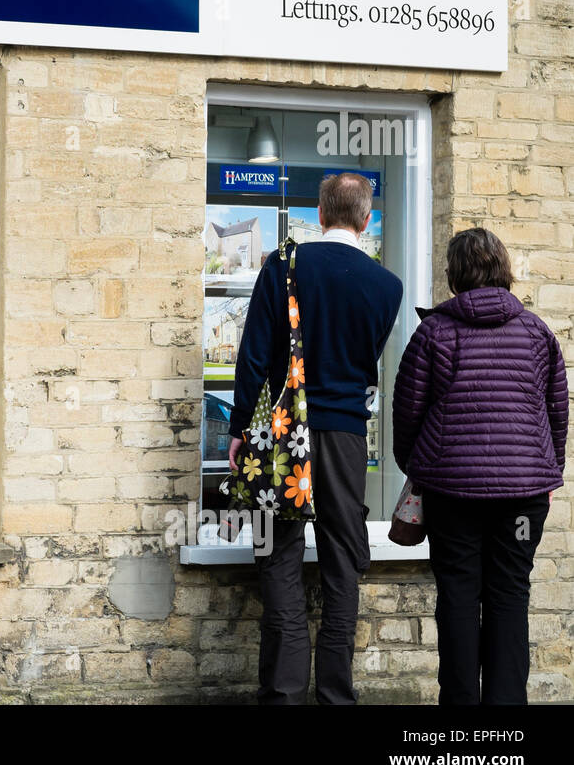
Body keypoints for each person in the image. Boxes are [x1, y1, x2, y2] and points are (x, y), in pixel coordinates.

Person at [229, 172, 403, 704]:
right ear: (366, 219)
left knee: (275, 554)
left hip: (279, 435)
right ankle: (334, 695)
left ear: (320, 214)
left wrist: (240, 431)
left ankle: (282, 694)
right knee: (342, 558)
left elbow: (254, 357)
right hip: (347, 435)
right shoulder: (386, 286)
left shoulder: (283, 266)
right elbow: (365, 357)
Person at [392, 228, 567, 705]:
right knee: (511, 595)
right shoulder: (536, 332)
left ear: (454, 275)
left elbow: (406, 414)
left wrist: (422, 468)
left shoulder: (434, 333)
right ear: (503, 270)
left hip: (451, 495)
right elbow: (556, 411)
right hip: (523, 499)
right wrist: (548, 473)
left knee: (457, 597)